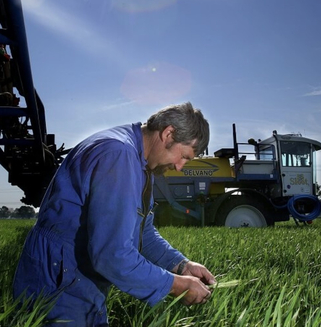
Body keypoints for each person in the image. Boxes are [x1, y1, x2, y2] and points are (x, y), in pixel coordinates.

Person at [13, 102, 216, 326]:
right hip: (58, 277)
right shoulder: (118, 156)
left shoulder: (140, 164)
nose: (179, 167)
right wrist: (177, 285)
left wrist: (182, 265)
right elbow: (112, 255)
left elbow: (143, 232)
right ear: (168, 134)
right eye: (184, 156)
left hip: (77, 273)